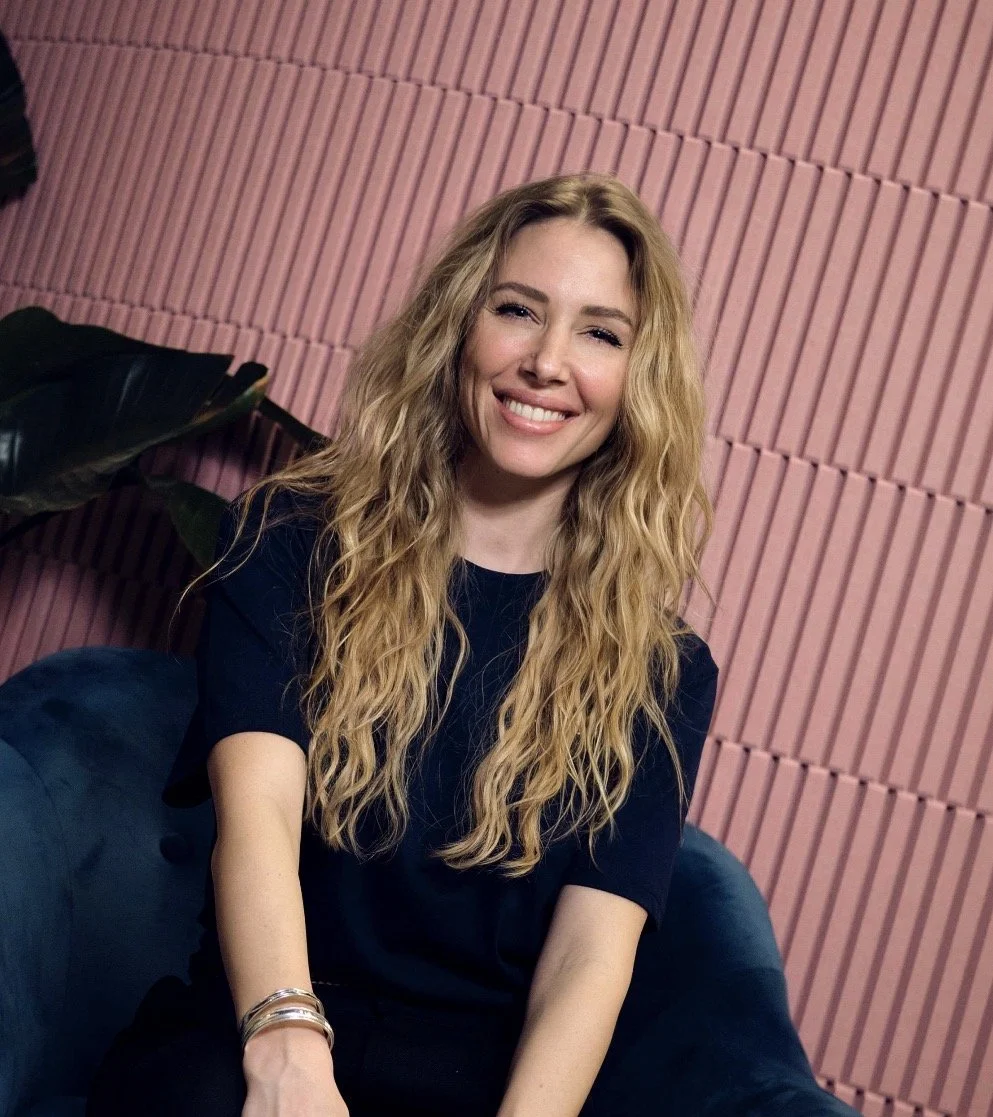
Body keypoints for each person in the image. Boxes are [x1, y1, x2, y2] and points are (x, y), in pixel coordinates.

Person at [87, 172, 719, 1117]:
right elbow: (258, 818)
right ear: (459, 325)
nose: (547, 362)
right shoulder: (289, 541)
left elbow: (590, 954)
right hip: (256, 1036)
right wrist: (287, 1053)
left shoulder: (664, 669)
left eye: (599, 332)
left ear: (638, 380)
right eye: (518, 310)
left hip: (470, 1085)